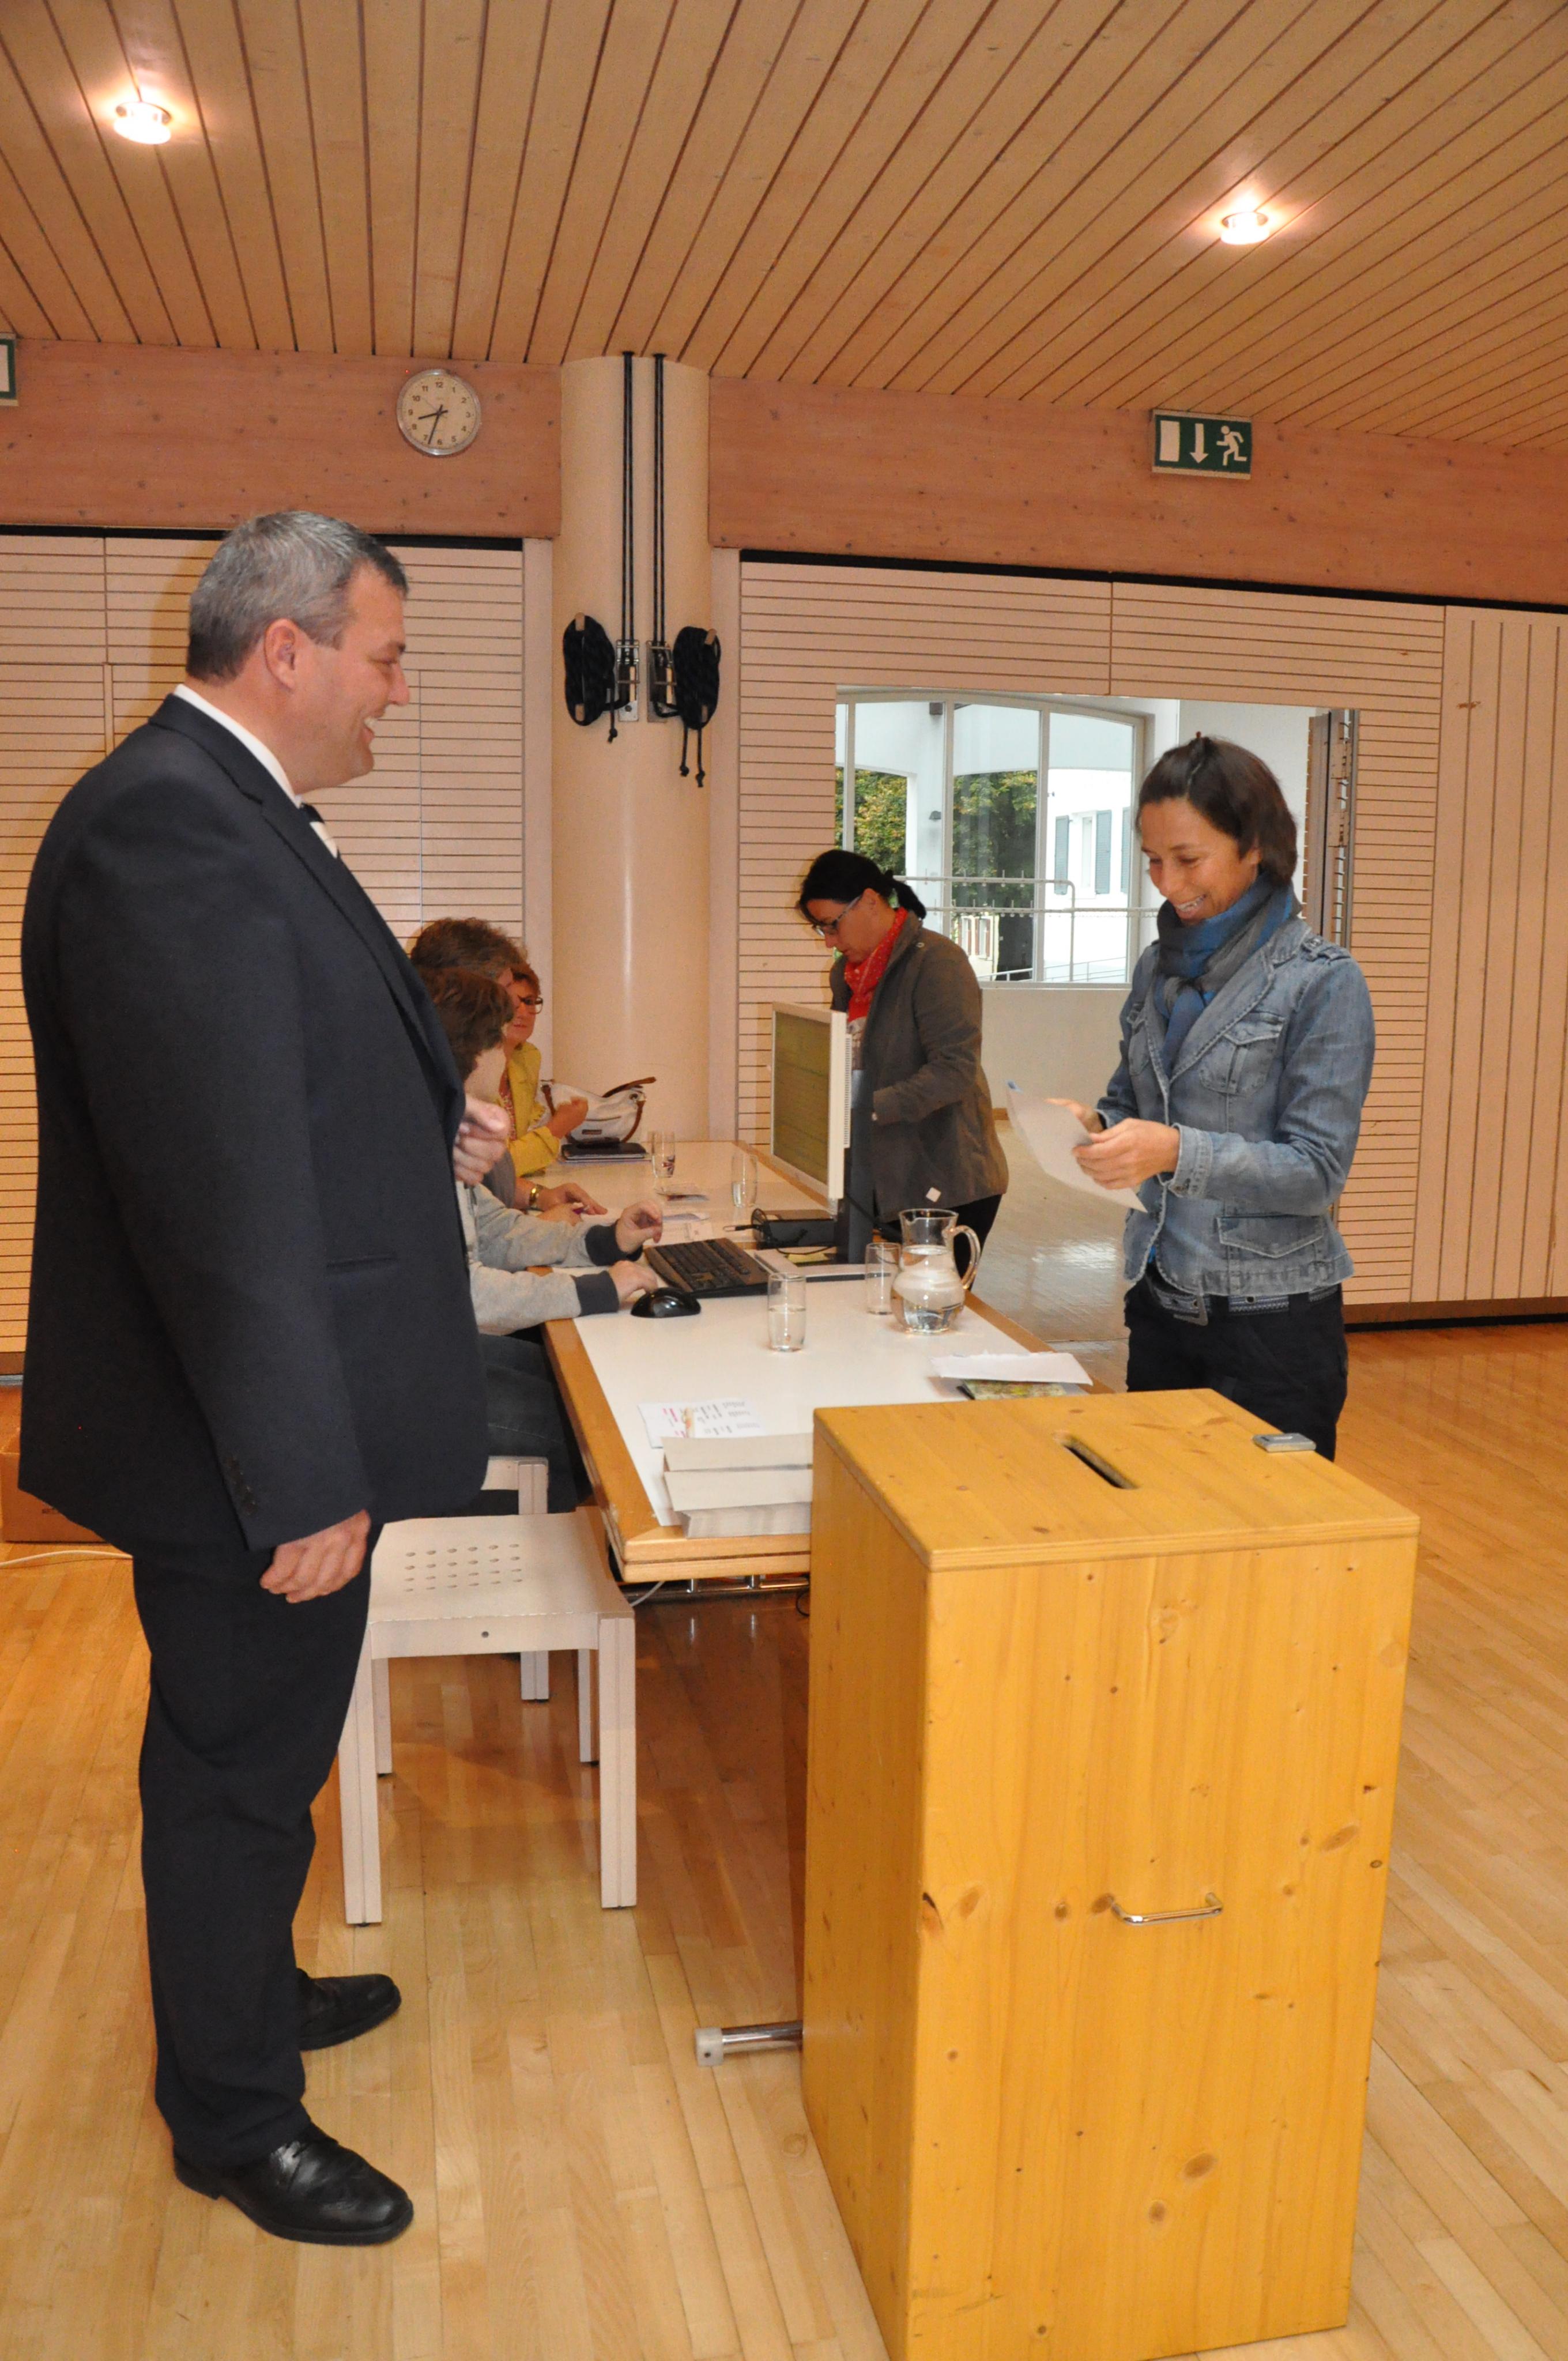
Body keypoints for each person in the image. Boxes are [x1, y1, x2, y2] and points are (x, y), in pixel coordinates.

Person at [20, 511, 515, 2247]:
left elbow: (272, 1098)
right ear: (286, 650)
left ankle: (247, 1993)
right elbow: (215, 1199)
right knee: (233, 1771)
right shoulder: (170, 826)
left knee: (261, 1750)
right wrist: (300, 1475)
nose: (397, 691)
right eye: (386, 656)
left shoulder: (225, 811)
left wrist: (423, 1133)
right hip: (246, 1449)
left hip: (259, 1423)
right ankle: (230, 2119)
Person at [1054, 734, 1375, 1459]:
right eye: (1152, 860)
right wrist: (1095, 1125)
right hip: (1160, 1305)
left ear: (1254, 846)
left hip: (1272, 1329)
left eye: (1187, 859)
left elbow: (1315, 1172)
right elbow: (1130, 1100)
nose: (1166, 884)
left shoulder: (1322, 981)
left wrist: (1173, 1150)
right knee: (1159, 1514)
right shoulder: (1155, 968)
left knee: (1267, 1527)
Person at [423, 971, 662, 1508]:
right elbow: (469, 1294)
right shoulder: (417, 1147)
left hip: (433, 1351)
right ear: (477, 1054)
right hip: (403, 1380)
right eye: (502, 1047)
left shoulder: (443, 1132)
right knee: (587, 1436)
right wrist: (598, 1290)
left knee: (584, 1391)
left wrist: (605, 1243)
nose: (508, 1061)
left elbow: (497, 1230)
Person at [797, 850, 1007, 1266]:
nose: (829, 942)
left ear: (869, 901)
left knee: (929, 1301)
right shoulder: (845, 976)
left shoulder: (937, 963)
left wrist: (862, 1109)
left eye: (832, 925)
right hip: (882, 1174)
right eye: (821, 929)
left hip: (947, 1180)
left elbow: (954, 1071)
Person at [407, 916, 594, 1208]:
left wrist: (538, 1196)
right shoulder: (419, 1095)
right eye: (507, 989)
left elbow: (486, 1189)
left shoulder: (512, 1061)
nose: (516, 1007)